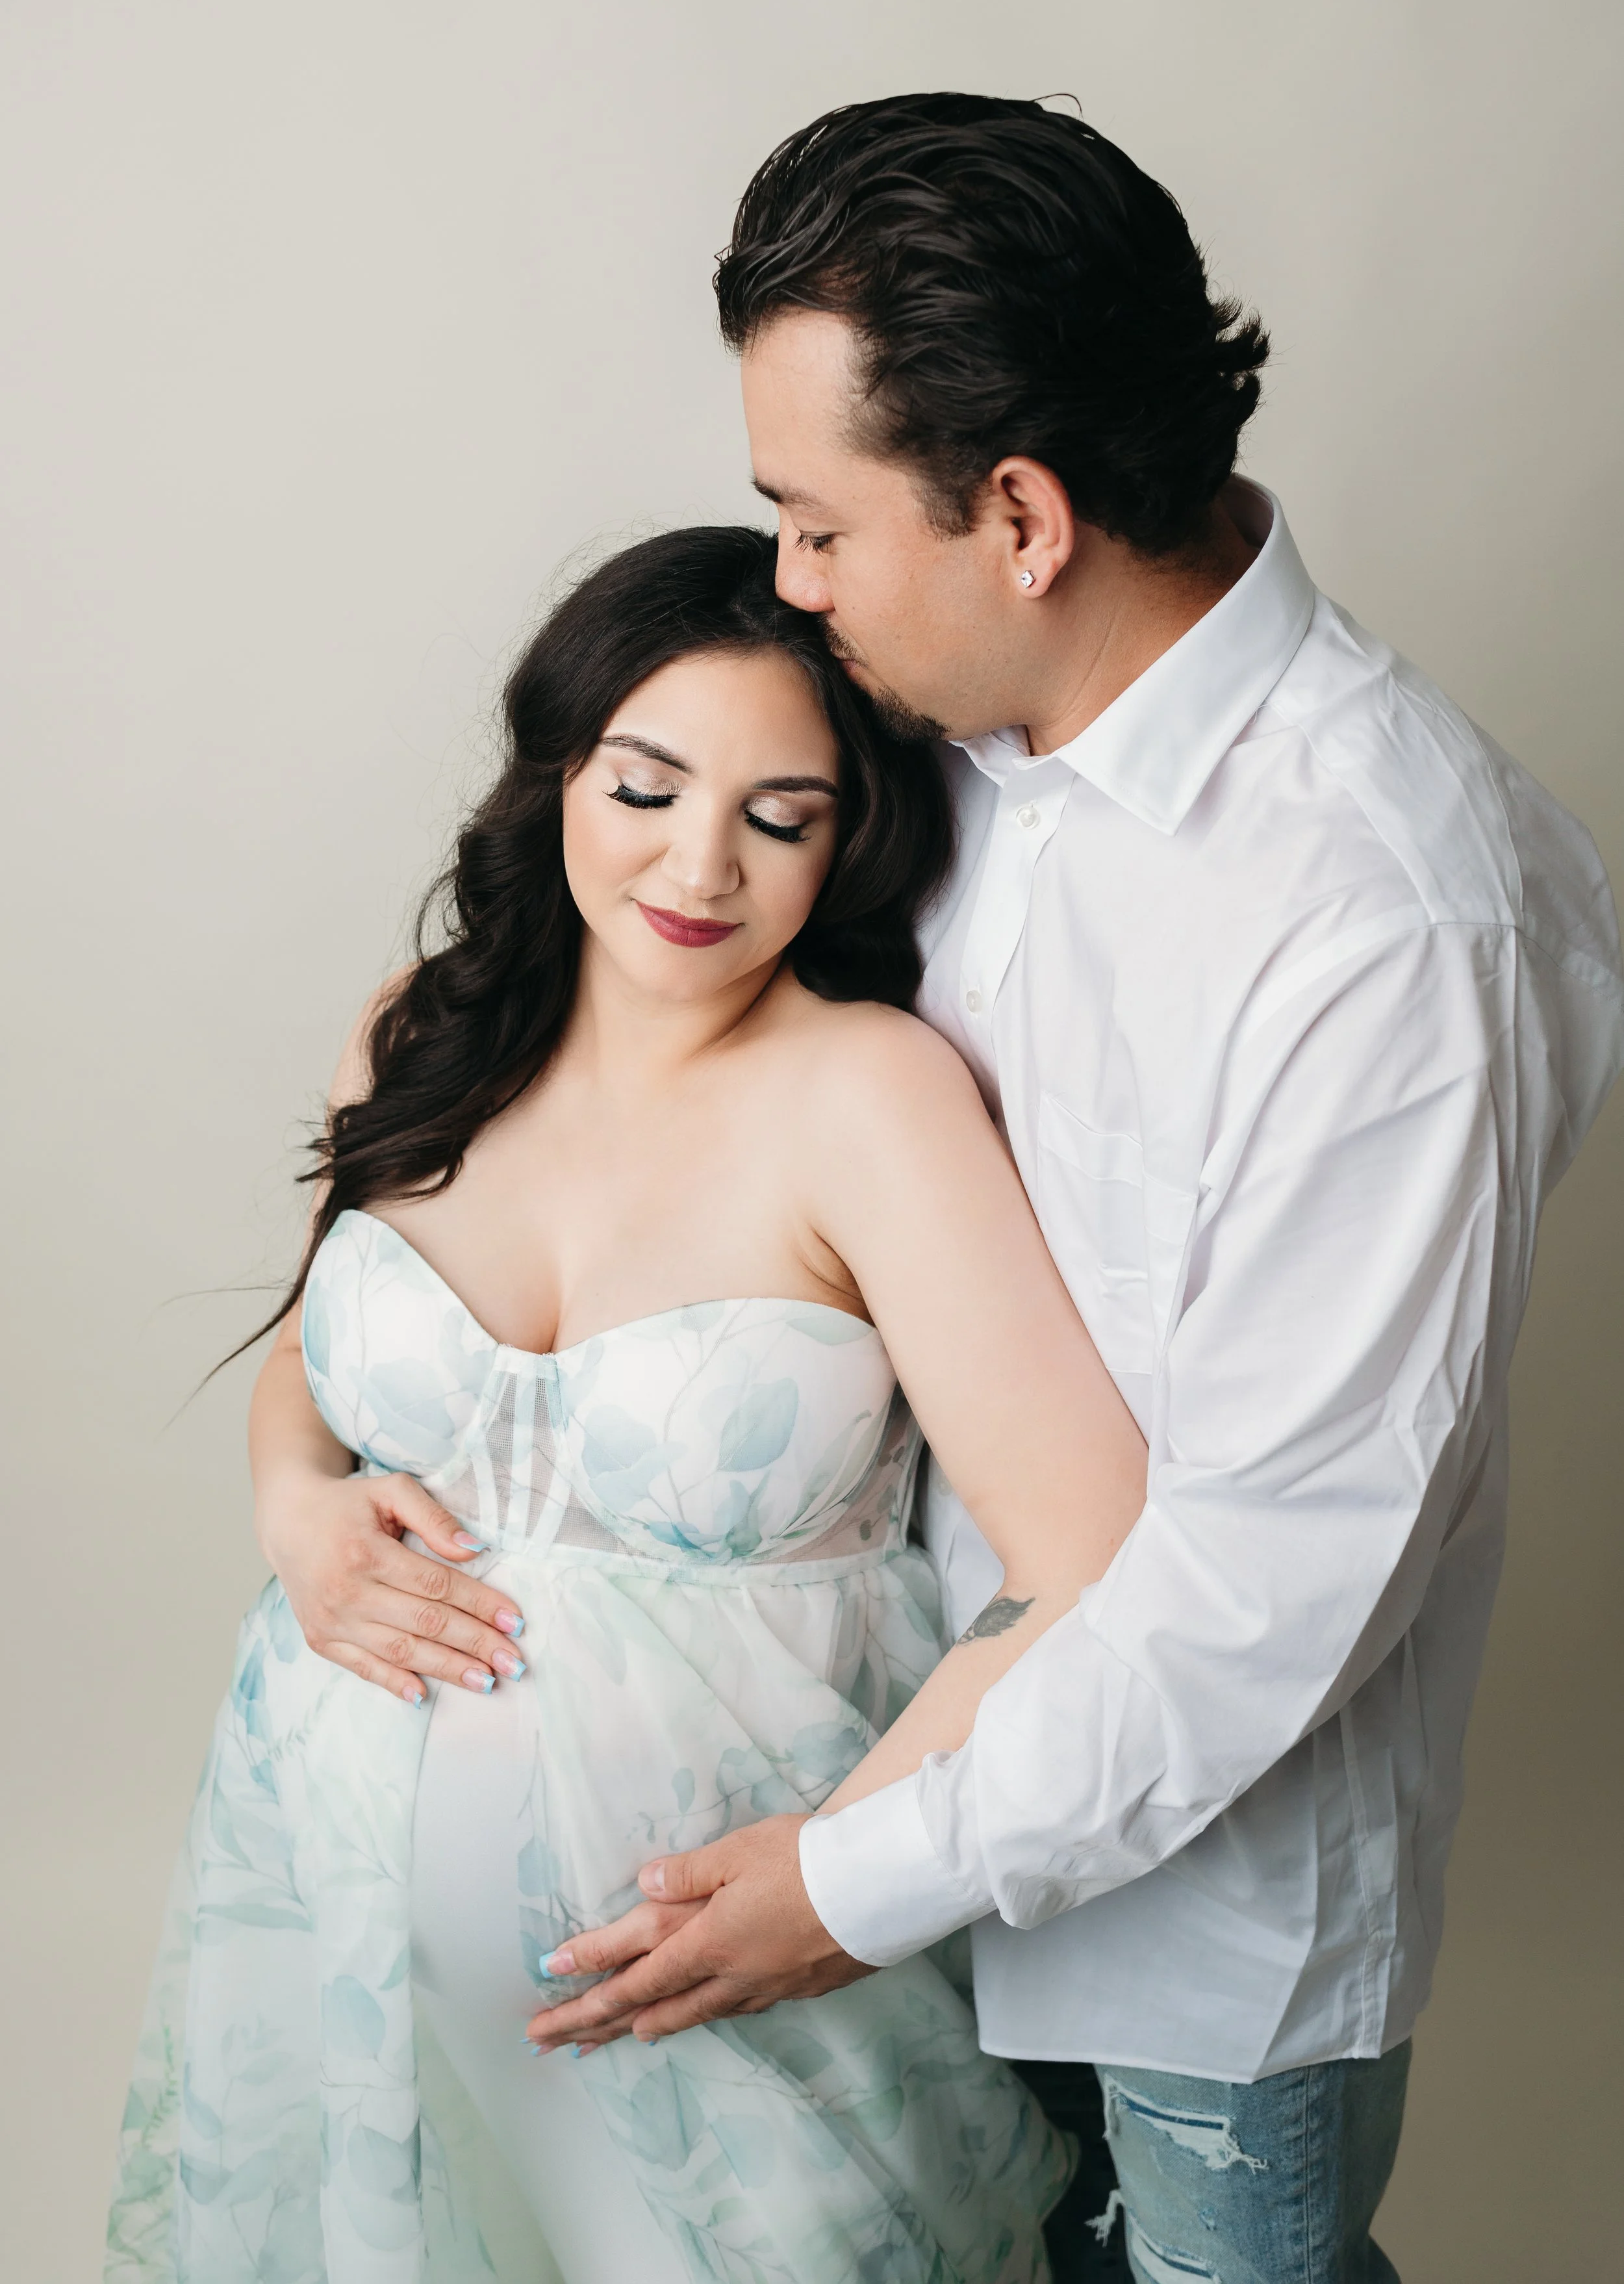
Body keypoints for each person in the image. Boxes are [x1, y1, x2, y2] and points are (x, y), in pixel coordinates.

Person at [524, 97, 1624, 2283]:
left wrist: (858, 1884)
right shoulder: (920, 750)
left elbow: (1269, 1584)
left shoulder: (1388, 911)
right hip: (862, 1806)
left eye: (817, 525)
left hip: (1180, 1958)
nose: (794, 585)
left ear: (1018, 513)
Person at [105, 524, 1152, 2283]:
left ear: (850, 834)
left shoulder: (867, 1097)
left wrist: (835, 1874)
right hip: (339, 1937)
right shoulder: (423, 1034)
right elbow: (318, 1360)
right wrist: (293, 1504)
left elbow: (1083, 1548)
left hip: (744, 1996)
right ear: (560, 772)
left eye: (778, 813)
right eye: (646, 785)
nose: (698, 863)